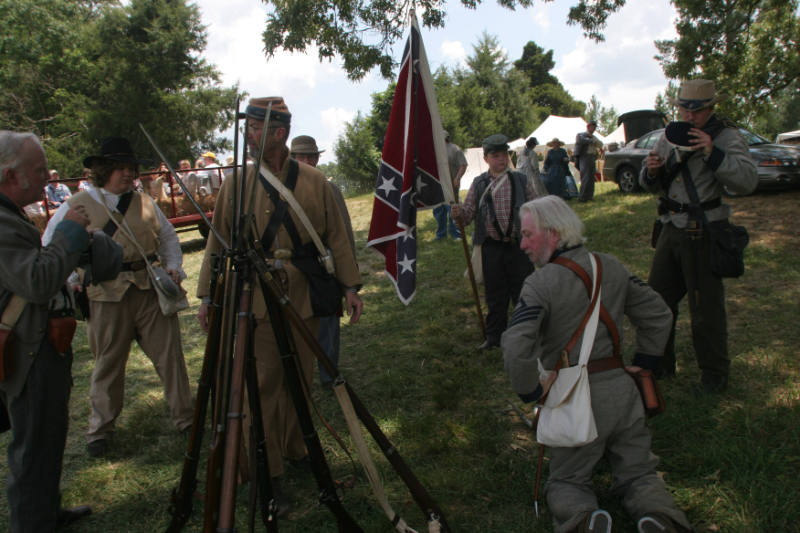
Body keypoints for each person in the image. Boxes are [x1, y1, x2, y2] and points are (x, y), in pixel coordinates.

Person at [197, 97, 363, 514]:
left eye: (256, 128)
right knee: (266, 387)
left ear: (278, 133)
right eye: (248, 128)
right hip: (255, 298)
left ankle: (296, 449)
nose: (248, 136)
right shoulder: (236, 185)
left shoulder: (314, 181)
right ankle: (266, 471)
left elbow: (337, 237)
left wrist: (350, 287)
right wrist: (207, 296)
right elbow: (217, 241)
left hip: (303, 294)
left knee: (300, 379)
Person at [502, 195, 693, 533]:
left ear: (553, 234)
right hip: (623, 394)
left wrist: (531, 391)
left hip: (574, 399)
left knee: (567, 480)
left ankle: (585, 521)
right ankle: (659, 518)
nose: (522, 244)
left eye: (528, 234)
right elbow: (659, 314)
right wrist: (643, 364)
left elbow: (517, 346)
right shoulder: (611, 266)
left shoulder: (540, 284)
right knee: (639, 471)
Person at [43, 137, 195, 457]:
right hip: (104, 294)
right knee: (108, 364)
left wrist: (173, 269)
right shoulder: (77, 204)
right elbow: (51, 244)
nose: (128, 174)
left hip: (148, 290)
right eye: (121, 168)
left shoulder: (144, 201)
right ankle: (100, 430)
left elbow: (167, 238)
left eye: (131, 168)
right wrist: (71, 280)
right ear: (104, 170)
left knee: (170, 358)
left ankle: (186, 418)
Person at [0, 131, 117, 531]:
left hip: (37, 343)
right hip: (27, 349)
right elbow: (36, 281)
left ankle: (45, 513)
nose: (44, 179)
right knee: (33, 444)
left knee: (47, 435)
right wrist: (68, 232)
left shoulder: (9, 212)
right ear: (9, 174)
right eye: (36, 170)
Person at [640, 79, 757, 392]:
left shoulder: (726, 135)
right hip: (669, 227)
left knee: (705, 309)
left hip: (703, 229)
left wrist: (713, 152)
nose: (690, 117)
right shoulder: (670, 135)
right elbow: (651, 181)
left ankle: (714, 375)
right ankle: (661, 364)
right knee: (656, 301)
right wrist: (651, 171)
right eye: (684, 109)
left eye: (698, 111)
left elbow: (746, 181)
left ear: (710, 108)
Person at [451, 133, 536, 350]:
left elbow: (536, 208)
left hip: (518, 246)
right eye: (495, 155)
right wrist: (458, 213)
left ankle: (527, 335)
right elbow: (468, 215)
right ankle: (494, 337)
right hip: (491, 247)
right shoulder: (479, 184)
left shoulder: (520, 180)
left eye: (504, 155)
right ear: (486, 158)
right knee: (495, 295)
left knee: (523, 292)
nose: (501, 159)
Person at [290, 134, 357, 388]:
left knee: (328, 320)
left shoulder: (328, 188)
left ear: (317, 158)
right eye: (300, 156)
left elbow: (343, 233)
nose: (306, 161)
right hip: (294, 266)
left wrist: (349, 282)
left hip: (323, 265)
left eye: (310, 156)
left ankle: (329, 374)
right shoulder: (279, 188)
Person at [432, 130, 467, 240]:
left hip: (451, 185)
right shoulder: (435, 150)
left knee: (453, 209)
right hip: (437, 185)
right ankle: (441, 234)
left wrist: (457, 178)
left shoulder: (455, 149)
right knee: (438, 210)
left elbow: (463, 165)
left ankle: (456, 234)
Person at [574, 120, 604, 202]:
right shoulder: (581, 135)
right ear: (588, 127)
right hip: (584, 157)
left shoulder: (593, 137)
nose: (593, 128)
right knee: (585, 178)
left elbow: (600, 144)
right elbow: (582, 141)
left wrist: (595, 141)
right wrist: (592, 141)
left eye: (594, 127)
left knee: (591, 178)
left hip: (592, 157)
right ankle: (582, 197)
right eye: (592, 127)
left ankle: (589, 196)